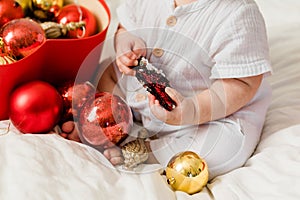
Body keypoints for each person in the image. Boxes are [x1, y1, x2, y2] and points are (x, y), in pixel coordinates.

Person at [61, 0, 272, 179]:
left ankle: (147, 150)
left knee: (226, 148)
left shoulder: (238, 15)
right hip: (135, 89)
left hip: (206, 112)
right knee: (105, 71)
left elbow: (240, 84)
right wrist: (125, 43)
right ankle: (101, 126)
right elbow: (125, 27)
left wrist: (192, 110)